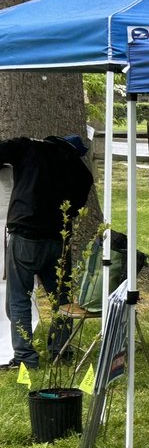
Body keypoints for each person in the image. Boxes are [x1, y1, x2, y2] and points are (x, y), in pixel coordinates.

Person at [0, 135, 94, 370]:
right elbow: (74, 208)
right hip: (58, 240)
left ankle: (24, 357)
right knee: (61, 299)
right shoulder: (81, 172)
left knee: (19, 297)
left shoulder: (29, 147)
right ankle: (60, 351)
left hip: (25, 234)